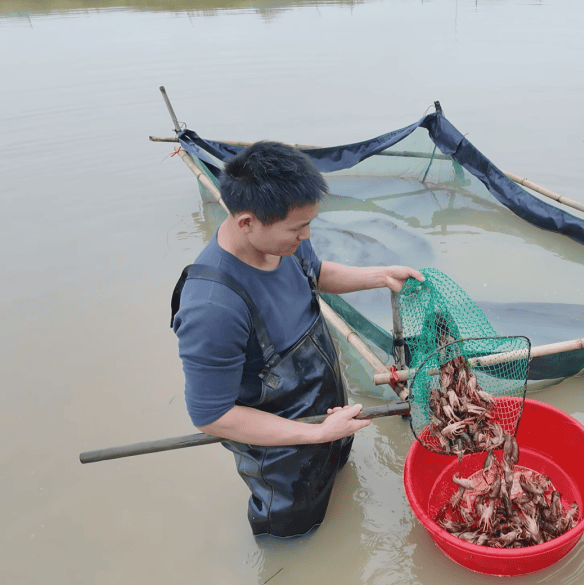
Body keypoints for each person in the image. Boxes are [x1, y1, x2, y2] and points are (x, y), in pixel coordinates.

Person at [170, 141, 423, 538]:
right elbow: (212, 416)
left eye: (310, 224)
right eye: (297, 228)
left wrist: (380, 275)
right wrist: (314, 434)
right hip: (281, 459)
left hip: (329, 414)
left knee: (341, 496)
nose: (307, 237)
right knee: (293, 534)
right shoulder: (212, 307)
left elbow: (316, 273)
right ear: (247, 222)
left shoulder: (285, 244)